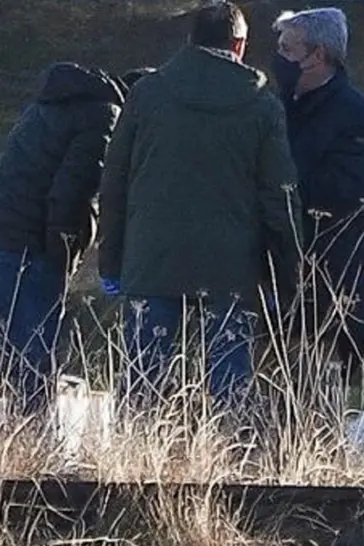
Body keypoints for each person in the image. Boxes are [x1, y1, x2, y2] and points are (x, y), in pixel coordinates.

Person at [98, 1, 302, 411]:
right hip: (230, 265)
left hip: (151, 257)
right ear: (239, 44)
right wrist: (289, 270)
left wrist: (110, 263)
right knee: (229, 389)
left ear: (190, 40)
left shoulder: (147, 93)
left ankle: (134, 468)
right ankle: (225, 463)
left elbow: (115, 181)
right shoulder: (261, 103)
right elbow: (278, 194)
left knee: (143, 385)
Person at [0, 61, 149, 417]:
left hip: (9, 234)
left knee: (12, 356)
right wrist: (64, 257)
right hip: (32, 247)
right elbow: (72, 193)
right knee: (33, 359)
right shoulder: (105, 116)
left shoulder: (60, 103)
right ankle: (33, 448)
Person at [270, 8, 364, 375]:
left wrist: (280, 184)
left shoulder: (356, 117)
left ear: (318, 55)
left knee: (318, 387)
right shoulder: (280, 105)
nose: (280, 59)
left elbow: (348, 190)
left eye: (288, 49)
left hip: (328, 276)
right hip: (279, 267)